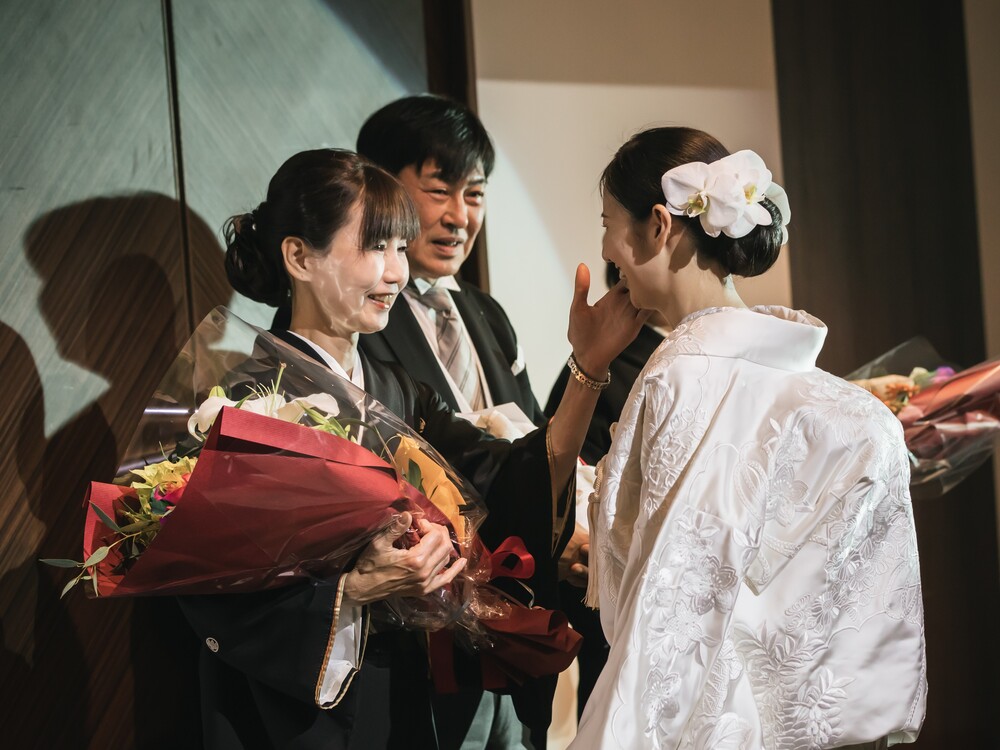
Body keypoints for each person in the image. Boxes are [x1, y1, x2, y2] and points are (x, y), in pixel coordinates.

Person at [179, 149, 646, 750]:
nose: (396, 272)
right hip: (304, 713)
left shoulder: (396, 389)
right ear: (299, 257)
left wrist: (589, 367)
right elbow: (215, 591)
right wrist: (353, 590)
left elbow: (507, 476)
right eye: (375, 247)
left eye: (400, 248)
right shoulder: (249, 404)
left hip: (406, 693)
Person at [572, 127, 926, 749]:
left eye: (608, 223)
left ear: (658, 225)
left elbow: (675, 606)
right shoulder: (861, 414)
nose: (605, 247)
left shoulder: (681, 378)